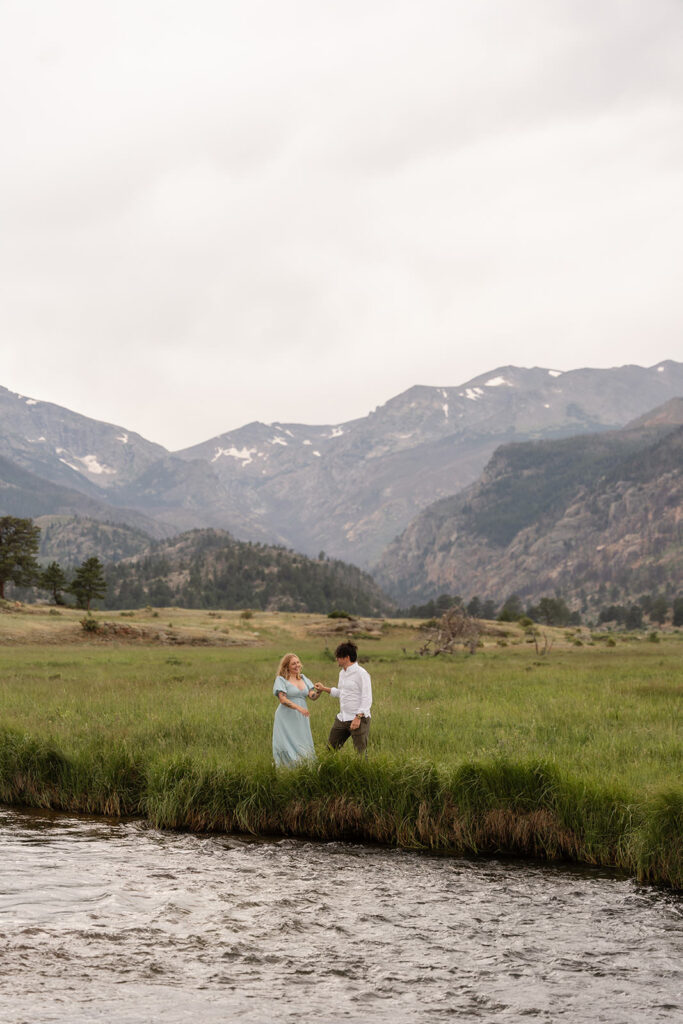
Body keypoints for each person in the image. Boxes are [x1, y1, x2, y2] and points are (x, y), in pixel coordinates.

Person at [314, 641, 372, 754]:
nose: (336, 659)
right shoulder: (342, 673)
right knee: (330, 750)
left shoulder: (362, 674)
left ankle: (362, 772)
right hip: (342, 718)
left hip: (358, 719)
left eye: (338, 657)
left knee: (360, 754)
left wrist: (358, 717)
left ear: (346, 658)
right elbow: (342, 693)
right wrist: (324, 688)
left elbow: (367, 698)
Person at [272, 652, 319, 767]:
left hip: (301, 716)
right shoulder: (281, 679)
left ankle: (306, 767)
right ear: (287, 666)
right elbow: (282, 699)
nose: (297, 665)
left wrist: (320, 691)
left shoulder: (303, 678)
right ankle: (287, 769)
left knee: (303, 740)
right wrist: (298, 707)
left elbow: (312, 696)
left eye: (298, 662)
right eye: (293, 664)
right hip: (286, 716)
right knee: (286, 742)